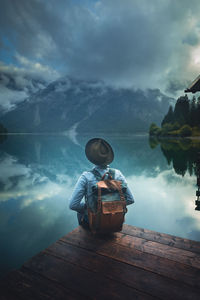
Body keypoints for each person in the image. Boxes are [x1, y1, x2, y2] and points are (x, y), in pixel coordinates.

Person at [69, 138, 134, 229]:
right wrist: (112, 207)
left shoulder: (86, 177)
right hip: (115, 223)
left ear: (91, 158)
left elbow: (73, 205)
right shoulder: (118, 174)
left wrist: (92, 207)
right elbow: (131, 199)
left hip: (94, 225)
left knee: (80, 212)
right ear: (108, 157)